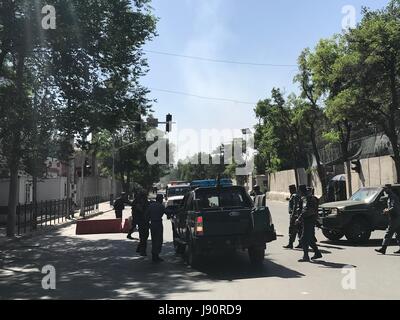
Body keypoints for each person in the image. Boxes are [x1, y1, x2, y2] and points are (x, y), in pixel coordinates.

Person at [296, 185, 323, 262]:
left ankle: (306, 256)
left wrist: (299, 218)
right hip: (309, 220)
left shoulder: (308, 199)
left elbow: (306, 210)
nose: (299, 192)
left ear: (302, 191)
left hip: (309, 220)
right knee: (310, 238)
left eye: (299, 191)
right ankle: (317, 253)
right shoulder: (308, 198)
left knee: (304, 239)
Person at [375, 185, 400, 255]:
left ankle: (383, 248)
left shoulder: (393, 197)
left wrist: (387, 210)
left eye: (385, 189)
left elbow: (394, 207)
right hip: (396, 217)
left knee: (388, 233)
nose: (384, 191)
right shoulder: (390, 196)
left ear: (389, 189)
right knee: (398, 234)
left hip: (395, 217)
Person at [146, 194, 167, 262]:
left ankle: (154, 255)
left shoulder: (151, 206)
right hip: (158, 223)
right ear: (160, 199)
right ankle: (156, 255)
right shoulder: (161, 206)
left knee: (154, 239)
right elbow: (167, 212)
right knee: (159, 240)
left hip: (152, 223)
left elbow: (146, 215)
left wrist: (148, 223)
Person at [283, 185, 302, 249]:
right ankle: (300, 243)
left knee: (292, 229)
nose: (289, 190)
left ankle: (290, 244)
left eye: (290, 189)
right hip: (297, 215)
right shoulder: (295, 195)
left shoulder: (295, 195)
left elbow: (295, 206)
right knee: (299, 229)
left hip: (294, 215)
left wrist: (293, 215)